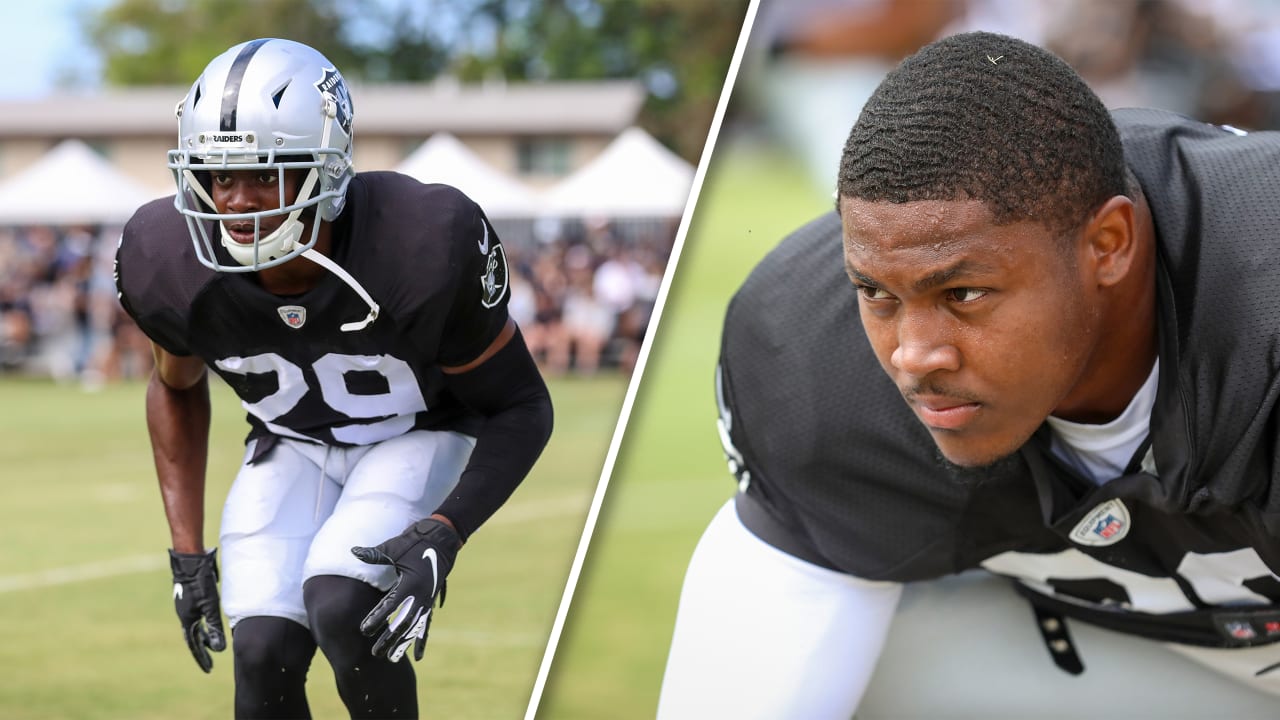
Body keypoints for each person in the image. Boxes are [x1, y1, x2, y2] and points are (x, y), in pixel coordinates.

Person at [656, 30, 1280, 717]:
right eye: (878, 295)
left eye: (964, 294)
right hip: (1126, 657)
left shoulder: (1260, 299)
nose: (915, 356)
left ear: (1109, 245)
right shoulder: (819, 363)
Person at [114, 38, 553, 719]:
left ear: (325, 169)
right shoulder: (165, 261)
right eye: (218, 176)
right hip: (292, 444)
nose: (235, 203)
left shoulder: (419, 243)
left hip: (416, 433)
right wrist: (185, 552)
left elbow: (522, 404)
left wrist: (447, 528)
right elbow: (174, 385)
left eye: (265, 175)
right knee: (260, 649)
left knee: (342, 603)